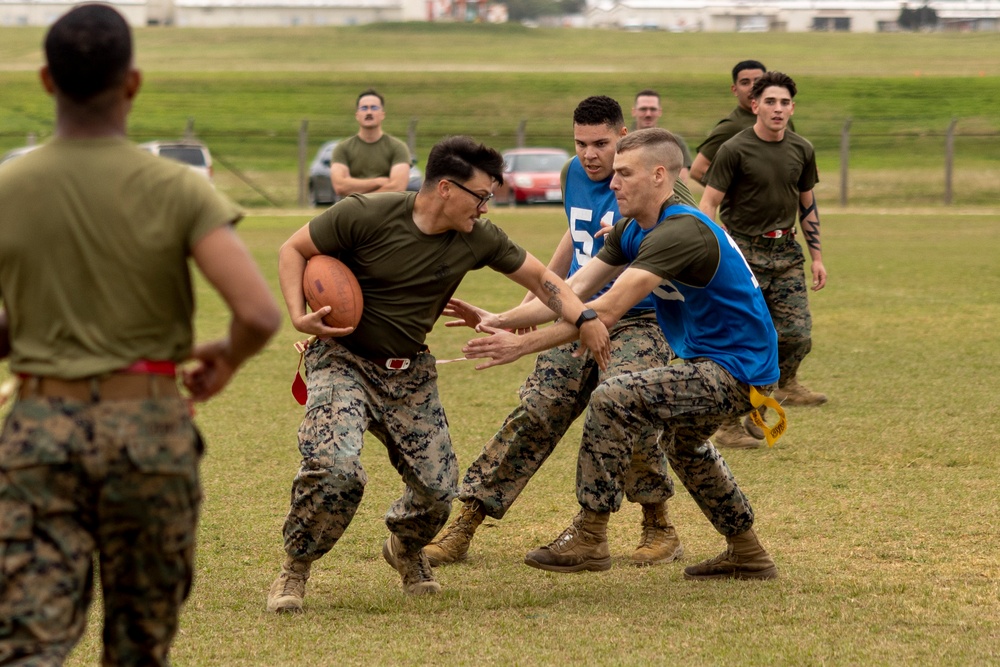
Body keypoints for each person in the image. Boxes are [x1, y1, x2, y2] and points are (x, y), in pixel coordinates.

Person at [0, 4, 282, 664]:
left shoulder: (8, 186)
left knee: (27, 642)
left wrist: (30, 329)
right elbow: (259, 313)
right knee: (140, 642)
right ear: (133, 82)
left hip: (40, 427)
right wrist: (226, 359)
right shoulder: (178, 187)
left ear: (46, 80)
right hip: (148, 427)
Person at [265, 135, 611, 612]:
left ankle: (405, 548)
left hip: (409, 373)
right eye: (482, 196)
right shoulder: (366, 213)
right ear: (446, 188)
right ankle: (295, 568)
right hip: (343, 361)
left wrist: (586, 318)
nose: (487, 208)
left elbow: (543, 280)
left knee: (438, 489)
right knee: (335, 468)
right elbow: (292, 250)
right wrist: (298, 315)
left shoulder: (478, 238)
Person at [447, 128, 781, 580]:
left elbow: (602, 311)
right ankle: (748, 552)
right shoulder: (631, 229)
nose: (613, 183)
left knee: (616, 396)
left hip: (741, 374)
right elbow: (575, 291)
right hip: (707, 364)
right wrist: (503, 319)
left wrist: (521, 345)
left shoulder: (680, 230)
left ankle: (590, 535)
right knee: (684, 445)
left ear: (659, 176)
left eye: (624, 173)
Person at [423, 97, 695, 571]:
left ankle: (657, 525)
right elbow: (575, 235)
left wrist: (532, 325)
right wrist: (535, 302)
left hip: (641, 318)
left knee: (623, 403)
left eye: (602, 144)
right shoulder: (573, 173)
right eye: (581, 143)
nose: (591, 155)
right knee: (536, 409)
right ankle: (465, 522)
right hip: (577, 311)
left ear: (624, 136)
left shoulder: (657, 190)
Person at [699, 71, 828, 449]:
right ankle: (728, 424)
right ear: (755, 105)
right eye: (770, 101)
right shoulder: (735, 149)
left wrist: (817, 256)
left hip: (786, 252)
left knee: (795, 334)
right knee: (743, 338)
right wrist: (710, 252)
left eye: (785, 102)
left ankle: (765, 399)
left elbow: (808, 205)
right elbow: (709, 203)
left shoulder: (802, 149)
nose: (778, 108)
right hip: (742, 252)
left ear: (792, 108)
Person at [689, 60, 767, 185]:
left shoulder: (781, 120)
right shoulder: (732, 126)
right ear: (735, 90)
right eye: (745, 83)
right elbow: (698, 170)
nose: (753, 87)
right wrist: (738, 194)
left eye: (758, 81)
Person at [330, 88, 412, 197]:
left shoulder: (398, 147)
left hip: (386, 211)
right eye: (364, 108)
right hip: (352, 212)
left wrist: (361, 199)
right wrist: (378, 181)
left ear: (382, 114)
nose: (369, 112)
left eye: (374, 108)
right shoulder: (342, 148)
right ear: (357, 115)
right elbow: (340, 186)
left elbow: (397, 187)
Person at [631, 89, 692, 183]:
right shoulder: (623, 142)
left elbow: (682, 180)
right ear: (634, 111)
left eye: (653, 109)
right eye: (643, 109)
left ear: (660, 112)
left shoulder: (674, 142)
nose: (648, 114)